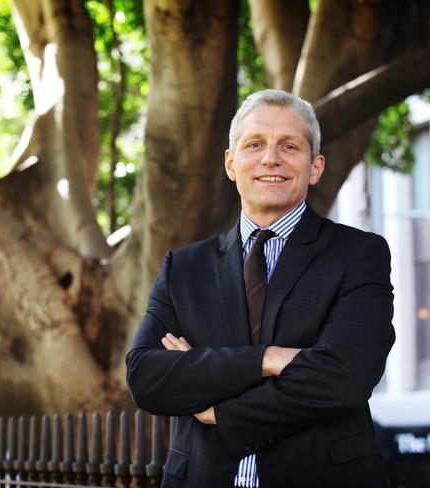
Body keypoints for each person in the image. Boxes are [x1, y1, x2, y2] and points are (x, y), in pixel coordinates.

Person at [125, 89, 395, 487]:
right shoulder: (184, 268)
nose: (271, 158)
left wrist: (217, 408)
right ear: (231, 164)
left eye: (290, 146)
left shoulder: (358, 255)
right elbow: (147, 378)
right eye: (255, 145)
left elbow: (346, 378)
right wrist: (268, 359)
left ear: (315, 166)